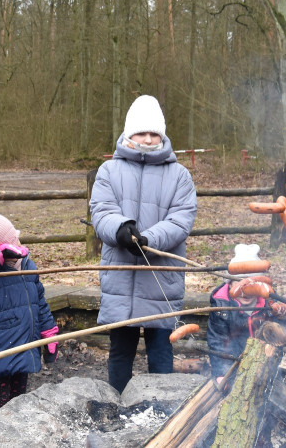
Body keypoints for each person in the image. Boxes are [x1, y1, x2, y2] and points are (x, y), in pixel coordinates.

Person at [90, 94, 197, 393]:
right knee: (120, 353)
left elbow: (181, 219)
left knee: (161, 355)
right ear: (128, 133)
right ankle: (116, 406)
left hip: (161, 279)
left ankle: (162, 413)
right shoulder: (108, 171)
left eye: (154, 133)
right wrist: (122, 229)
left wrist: (149, 239)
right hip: (120, 280)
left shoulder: (180, 176)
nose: (148, 138)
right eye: (142, 132)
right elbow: (101, 211)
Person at [0, 210, 58, 414]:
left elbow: (39, 300)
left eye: (15, 236)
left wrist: (49, 332)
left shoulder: (26, 264)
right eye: (11, 239)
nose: (17, 242)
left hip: (24, 344)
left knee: (19, 403)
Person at [207, 244, 286, 381]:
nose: (245, 290)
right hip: (233, 366)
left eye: (252, 283)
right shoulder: (221, 306)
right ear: (229, 284)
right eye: (239, 283)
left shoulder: (269, 302)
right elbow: (217, 342)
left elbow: (281, 337)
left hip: (264, 368)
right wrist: (221, 374)